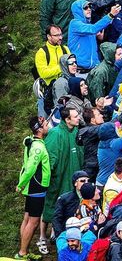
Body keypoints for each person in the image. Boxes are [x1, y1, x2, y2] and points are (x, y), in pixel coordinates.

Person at [42, 107, 84, 236]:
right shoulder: (55, 133)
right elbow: (49, 159)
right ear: (67, 119)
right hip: (58, 179)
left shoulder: (77, 132)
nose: (79, 118)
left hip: (73, 177)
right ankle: (42, 235)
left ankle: (58, 232)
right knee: (51, 205)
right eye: (76, 116)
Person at [15, 117, 50, 260]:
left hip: (32, 186)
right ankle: (22, 254)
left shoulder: (31, 141)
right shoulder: (38, 147)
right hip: (37, 186)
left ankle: (23, 250)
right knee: (33, 222)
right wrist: (20, 184)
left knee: (27, 218)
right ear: (40, 129)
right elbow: (30, 169)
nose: (48, 126)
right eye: (46, 124)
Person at [67, 0, 121, 72]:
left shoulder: (88, 25)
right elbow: (93, 29)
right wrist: (110, 15)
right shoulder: (74, 23)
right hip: (79, 70)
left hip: (92, 69)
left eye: (90, 6)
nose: (89, 9)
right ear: (78, 10)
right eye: (85, 7)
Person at [52, 171, 90, 238]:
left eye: (88, 181)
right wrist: (61, 236)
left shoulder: (92, 198)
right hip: (68, 234)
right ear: (75, 183)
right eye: (83, 181)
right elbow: (56, 220)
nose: (86, 183)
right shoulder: (64, 199)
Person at [76, 108, 104, 180]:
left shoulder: (95, 130)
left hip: (97, 166)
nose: (102, 116)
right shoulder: (90, 131)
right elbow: (106, 127)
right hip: (92, 168)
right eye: (98, 114)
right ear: (92, 120)